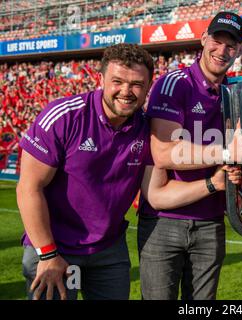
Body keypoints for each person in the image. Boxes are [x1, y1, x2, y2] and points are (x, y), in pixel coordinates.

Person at [16, 43, 154, 300]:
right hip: (55, 247)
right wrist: (47, 253)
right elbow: (28, 188)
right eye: (118, 81)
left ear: (148, 87)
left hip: (108, 250)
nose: (126, 91)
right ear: (100, 79)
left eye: (136, 84)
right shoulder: (64, 117)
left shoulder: (148, 128)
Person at [138, 11, 242, 300]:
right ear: (204, 40)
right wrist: (226, 152)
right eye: (217, 40)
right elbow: (163, 152)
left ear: (240, 50)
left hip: (211, 221)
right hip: (164, 220)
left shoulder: (235, 92)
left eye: (231, 45)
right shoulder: (175, 82)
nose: (222, 50)